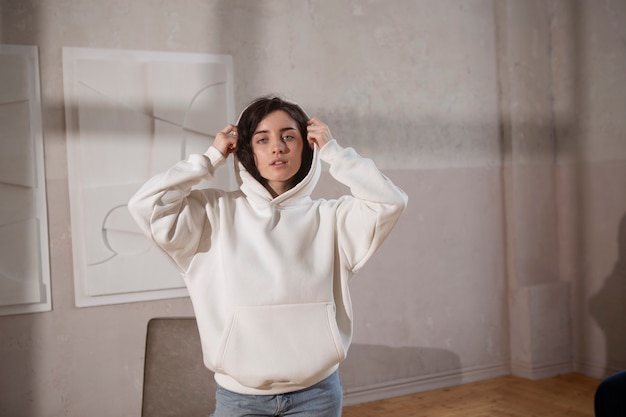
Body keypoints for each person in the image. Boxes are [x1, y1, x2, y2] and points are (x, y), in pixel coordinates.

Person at [128, 95, 408, 416]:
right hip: (240, 399)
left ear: (307, 146)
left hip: (316, 394)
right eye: (263, 139)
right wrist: (211, 157)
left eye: (289, 136)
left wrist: (334, 153)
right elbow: (146, 205)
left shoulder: (332, 219)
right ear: (248, 151)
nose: (278, 147)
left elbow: (390, 202)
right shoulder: (214, 213)